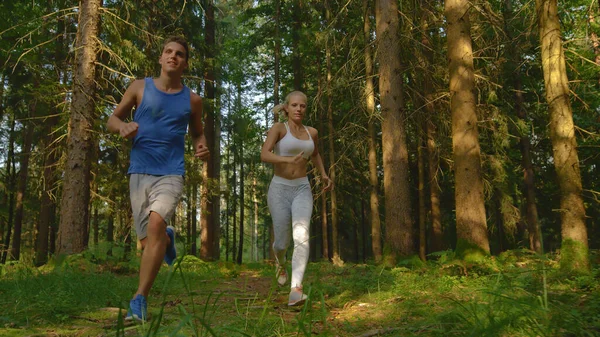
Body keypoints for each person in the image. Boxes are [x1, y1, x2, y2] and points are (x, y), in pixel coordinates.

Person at [106, 36, 209, 321]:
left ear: (185, 63)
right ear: (161, 58)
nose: (173, 56)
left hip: (171, 173)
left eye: (179, 54)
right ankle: (166, 239)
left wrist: (200, 144)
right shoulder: (139, 88)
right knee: (148, 241)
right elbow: (112, 119)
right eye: (168, 52)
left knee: (155, 223)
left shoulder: (192, 100)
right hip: (139, 171)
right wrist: (123, 126)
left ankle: (139, 300)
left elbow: (197, 131)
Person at [260, 91, 333, 306]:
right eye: (294, 105)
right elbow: (264, 154)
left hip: (302, 188)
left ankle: (296, 289)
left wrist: (324, 174)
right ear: (287, 108)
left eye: (302, 106)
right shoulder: (278, 129)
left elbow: (316, 154)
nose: (299, 109)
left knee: (301, 235)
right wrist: (287, 160)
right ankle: (280, 262)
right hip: (279, 189)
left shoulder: (312, 132)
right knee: (282, 242)